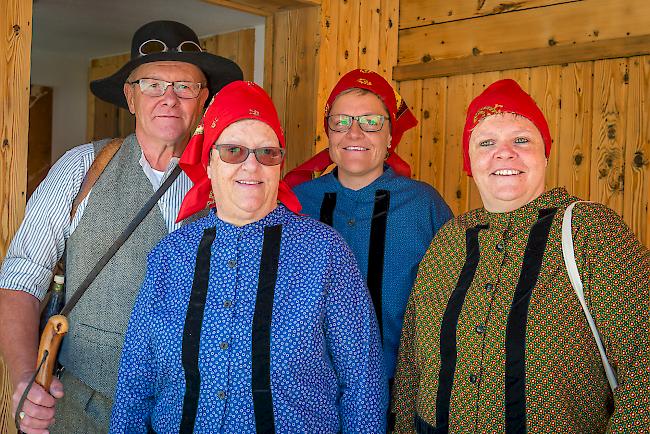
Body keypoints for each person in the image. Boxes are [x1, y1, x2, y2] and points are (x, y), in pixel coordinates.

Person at [0, 20, 242, 433]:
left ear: (203, 100)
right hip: (87, 409)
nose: (169, 98)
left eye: (185, 86)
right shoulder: (81, 169)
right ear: (129, 97)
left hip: (198, 414)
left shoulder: (234, 179)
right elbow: (20, 283)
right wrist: (25, 376)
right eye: (152, 85)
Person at [109, 81, 386, 433]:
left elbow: (363, 384)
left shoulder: (325, 252)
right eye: (233, 151)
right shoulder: (170, 256)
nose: (251, 166)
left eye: (267, 153)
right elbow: (136, 384)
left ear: (280, 165)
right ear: (208, 163)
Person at [392, 79, 650, 433]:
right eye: (486, 142)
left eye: (521, 139)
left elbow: (644, 363)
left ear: (545, 152)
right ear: (470, 160)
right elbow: (411, 363)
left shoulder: (590, 230)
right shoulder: (449, 240)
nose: (504, 152)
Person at [284, 69, 452, 388]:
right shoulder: (295, 203)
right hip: (306, 386)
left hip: (399, 384)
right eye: (342, 121)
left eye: (371, 122)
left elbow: (449, 303)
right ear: (329, 132)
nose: (355, 133)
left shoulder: (424, 205)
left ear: (390, 135)